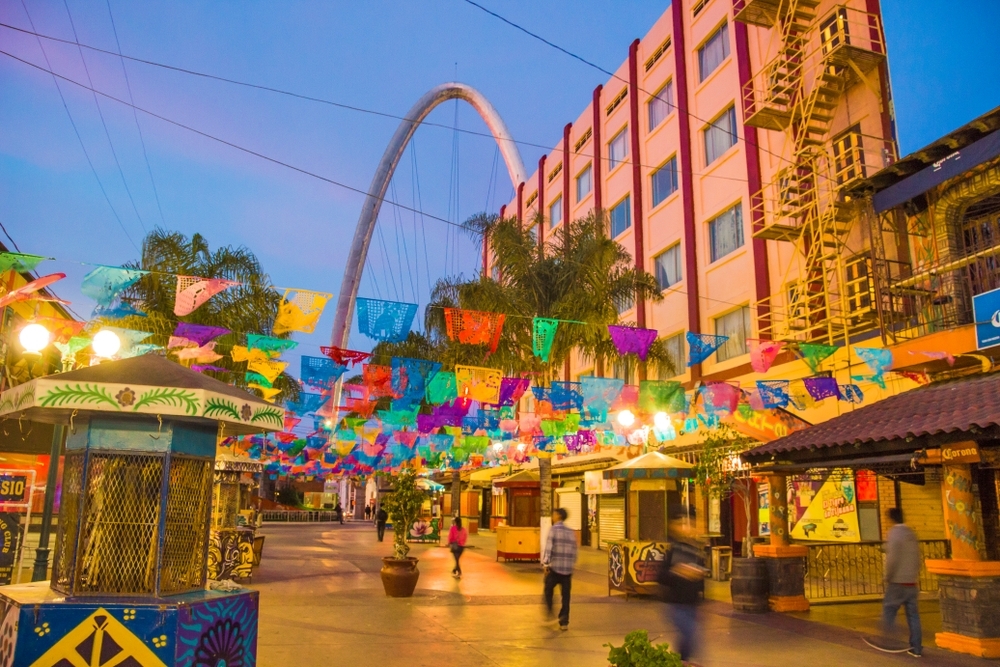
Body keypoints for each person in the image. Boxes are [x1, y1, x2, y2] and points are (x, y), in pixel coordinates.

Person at [658, 503, 707, 664]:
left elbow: (702, 576)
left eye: (690, 523)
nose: (687, 528)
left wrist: (699, 575)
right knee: (690, 634)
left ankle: (681, 661)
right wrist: (678, 571)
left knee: (689, 638)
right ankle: (680, 661)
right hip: (676, 604)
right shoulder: (672, 549)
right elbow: (660, 575)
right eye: (681, 524)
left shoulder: (695, 549)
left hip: (691, 604)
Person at [883, 507, 922, 657]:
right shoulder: (911, 533)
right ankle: (916, 647)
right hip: (911, 582)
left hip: (897, 582)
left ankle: (891, 641)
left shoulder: (894, 534)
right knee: (913, 615)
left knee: (889, 610)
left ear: (891, 519)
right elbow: (918, 557)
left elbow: (892, 558)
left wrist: (888, 576)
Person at [541, 507, 577, 631]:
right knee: (566, 596)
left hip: (555, 568)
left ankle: (550, 613)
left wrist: (546, 564)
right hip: (567, 570)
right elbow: (574, 550)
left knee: (548, 589)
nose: (552, 516)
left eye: (554, 514)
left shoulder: (554, 529)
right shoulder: (570, 531)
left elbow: (549, 547)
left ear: (558, 516)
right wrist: (571, 564)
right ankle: (564, 621)